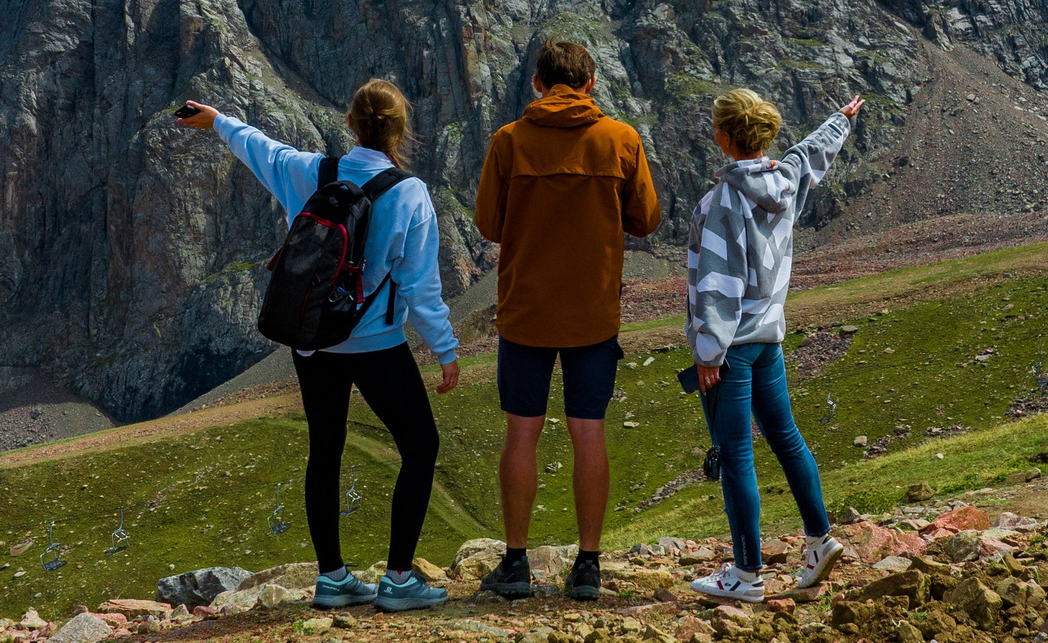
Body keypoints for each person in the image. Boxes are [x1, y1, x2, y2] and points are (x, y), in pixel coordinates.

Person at [177, 80, 459, 613]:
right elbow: (422, 288)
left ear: (350, 124)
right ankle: (399, 578)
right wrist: (444, 350)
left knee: (324, 450)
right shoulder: (410, 193)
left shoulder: (312, 172)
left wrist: (215, 120)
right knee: (420, 447)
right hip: (377, 345)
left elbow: (259, 147)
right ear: (401, 131)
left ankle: (332, 578)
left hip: (313, 343)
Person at [472, 39, 660, 601]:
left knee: (521, 434)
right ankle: (588, 566)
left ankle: (515, 562)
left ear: (537, 83)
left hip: (525, 313)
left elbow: (487, 223)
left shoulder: (508, 142)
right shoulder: (620, 140)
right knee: (589, 433)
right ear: (590, 83)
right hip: (593, 316)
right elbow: (646, 220)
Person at [685, 88, 865, 603]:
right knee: (786, 438)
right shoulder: (782, 181)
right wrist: (839, 122)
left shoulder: (721, 203)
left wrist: (708, 354)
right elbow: (808, 156)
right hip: (770, 337)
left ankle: (745, 575)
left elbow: (718, 286)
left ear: (723, 136)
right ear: (763, 134)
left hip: (734, 346)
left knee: (736, 451)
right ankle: (819, 540)